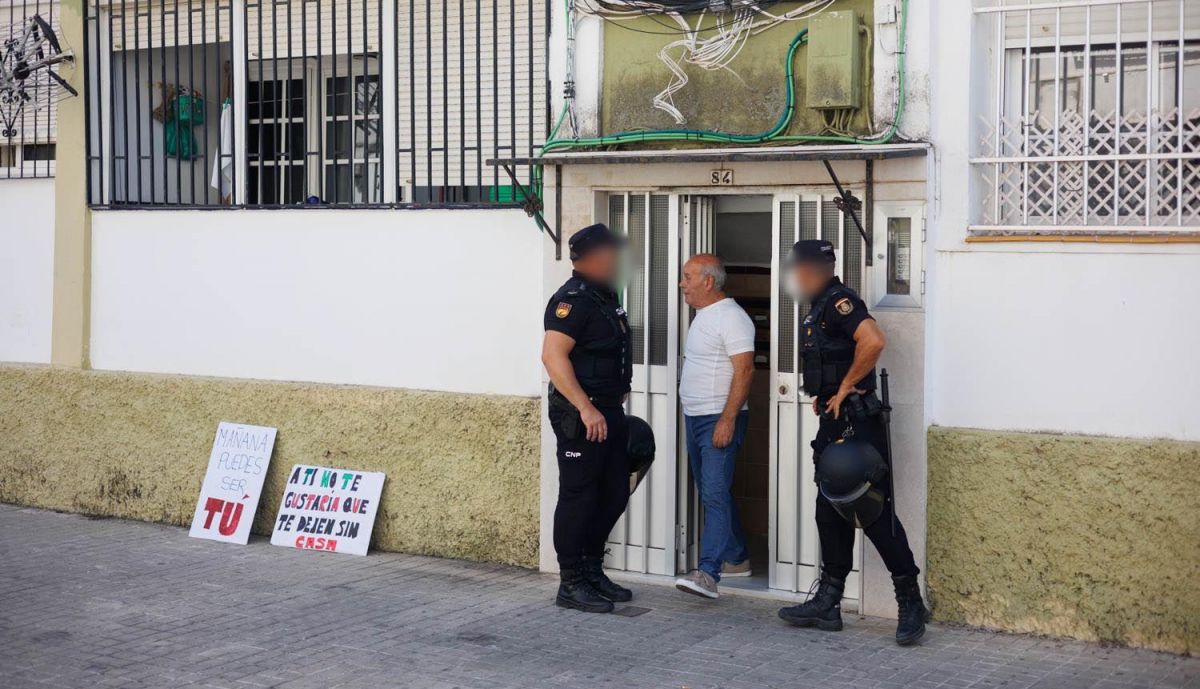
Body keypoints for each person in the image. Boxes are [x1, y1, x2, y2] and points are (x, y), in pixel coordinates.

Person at [776, 240, 929, 646]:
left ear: (811, 270)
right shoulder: (820, 304)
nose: (795, 278)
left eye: (797, 271)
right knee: (829, 513)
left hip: (857, 428)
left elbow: (874, 340)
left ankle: (910, 601)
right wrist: (827, 394)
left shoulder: (839, 301)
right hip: (834, 423)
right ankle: (828, 602)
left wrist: (845, 387)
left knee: (875, 515)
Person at [541, 223, 634, 614]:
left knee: (612, 493)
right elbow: (552, 356)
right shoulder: (572, 300)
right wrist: (584, 406)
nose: (618, 258)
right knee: (579, 497)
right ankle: (571, 582)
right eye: (613, 252)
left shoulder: (603, 295)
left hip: (608, 408)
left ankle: (593, 570)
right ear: (596, 256)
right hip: (583, 413)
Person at [673, 254, 755, 600]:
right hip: (696, 417)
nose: (681, 284)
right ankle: (737, 558)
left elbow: (745, 370)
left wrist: (727, 419)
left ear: (708, 281)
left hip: (716, 419)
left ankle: (709, 572)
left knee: (714, 493)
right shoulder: (703, 316)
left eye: (687, 277)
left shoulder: (732, 318)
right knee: (712, 492)